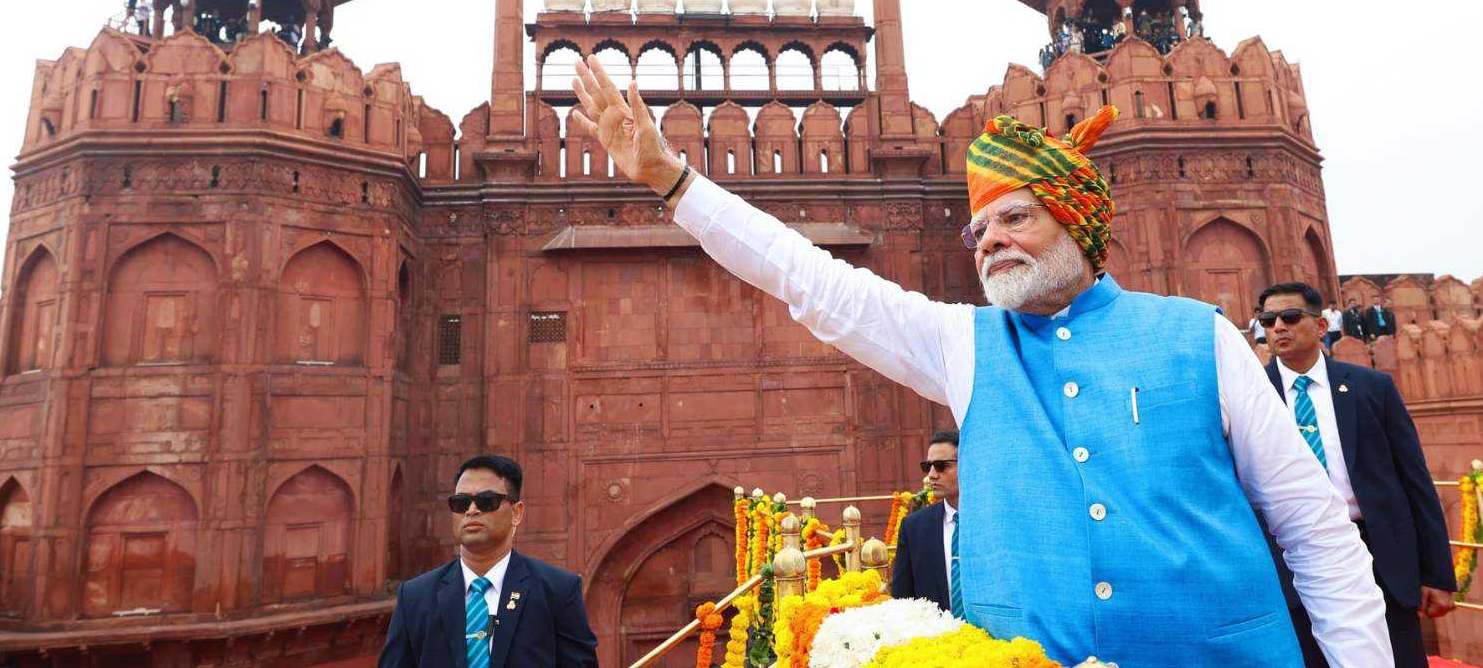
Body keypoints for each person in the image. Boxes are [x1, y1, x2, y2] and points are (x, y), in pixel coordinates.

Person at [565, 55, 1388, 667]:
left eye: (1016, 220)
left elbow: (1316, 533)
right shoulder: (966, 346)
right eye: (978, 231)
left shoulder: (1197, 337)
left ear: (1080, 227)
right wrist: (672, 182)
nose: (990, 241)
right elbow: (812, 281)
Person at [1258, 282, 1454, 668]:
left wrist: (1437, 574)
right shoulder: (1251, 395)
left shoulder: (1371, 387)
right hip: (1289, 557)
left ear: (1319, 326)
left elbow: (1415, 481)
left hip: (1376, 552)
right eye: (1268, 319)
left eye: (1290, 317)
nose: (1278, 326)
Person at [380, 455, 598, 668]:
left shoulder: (556, 591)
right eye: (461, 502)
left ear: (516, 512)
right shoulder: (415, 597)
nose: (472, 510)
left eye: (487, 501)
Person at [890, 430, 960, 614]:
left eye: (941, 466)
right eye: (927, 466)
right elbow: (902, 599)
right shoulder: (914, 528)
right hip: (935, 638)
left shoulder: (994, 525)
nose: (931, 475)